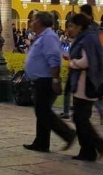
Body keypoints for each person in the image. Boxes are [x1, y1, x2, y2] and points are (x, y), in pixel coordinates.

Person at [23, 11, 77, 153]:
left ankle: (68, 134)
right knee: (41, 112)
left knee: (43, 112)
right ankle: (41, 142)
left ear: (39, 23)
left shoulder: (49, 37)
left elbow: (54, 59)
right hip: (40, 79)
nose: (31, 22)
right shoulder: (42, 36)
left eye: (33, 20)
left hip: (46, 80)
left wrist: (55, 79)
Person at [66, 13, 103, 161]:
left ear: (79, 26)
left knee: (80, 119)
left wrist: (72, 63)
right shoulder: (89, 37)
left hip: (85, 84)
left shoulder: (87, 39)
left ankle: (97, 146)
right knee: (80, 118)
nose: (69, 29)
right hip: (84, 84)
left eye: (71, 26)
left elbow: (86, 62)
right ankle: (90, 150)